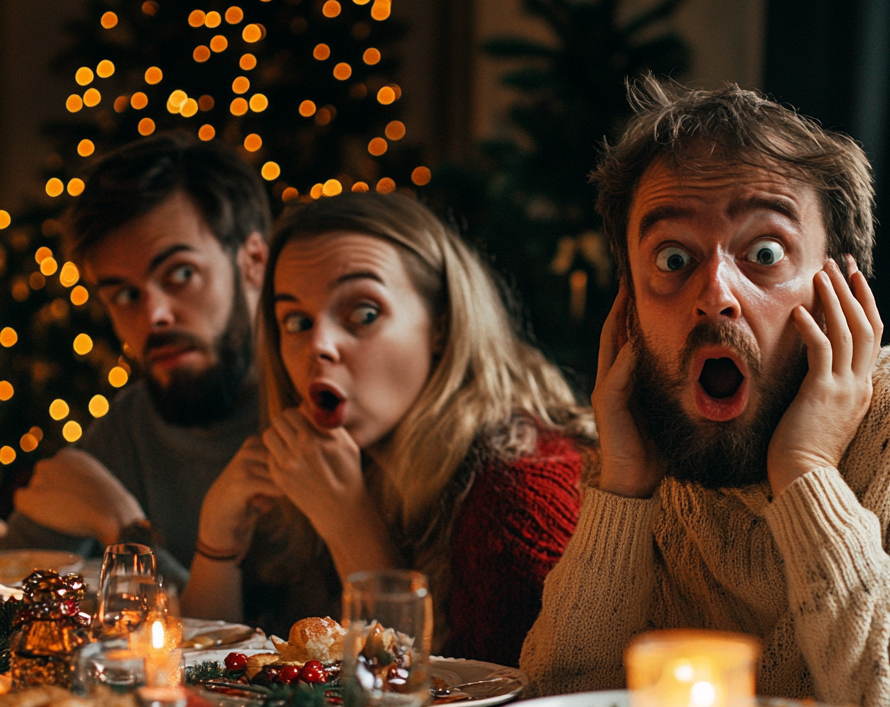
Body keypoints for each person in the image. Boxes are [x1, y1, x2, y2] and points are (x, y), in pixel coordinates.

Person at [521, 79, 890, 707]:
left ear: (840, 288)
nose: (716, 296)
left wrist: (807, 475)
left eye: (763, 254)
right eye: (673, 259)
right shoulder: (652, 433)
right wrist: (623, 489)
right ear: (631, 308)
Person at [181, 194, 595, 661]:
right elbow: (207, 676)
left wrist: (349, 525)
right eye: (296, 321)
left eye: (364, 313)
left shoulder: (519, 490)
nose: (319, 345)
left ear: (442, 324)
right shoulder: (349, 461)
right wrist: (218, 542)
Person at [1, 134, 269, 583]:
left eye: (181, 273)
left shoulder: (330, 411)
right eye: (125, 294)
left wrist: (123, 529)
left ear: (253, 261)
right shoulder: (129, 428)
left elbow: (282, 640)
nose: (154, 316)